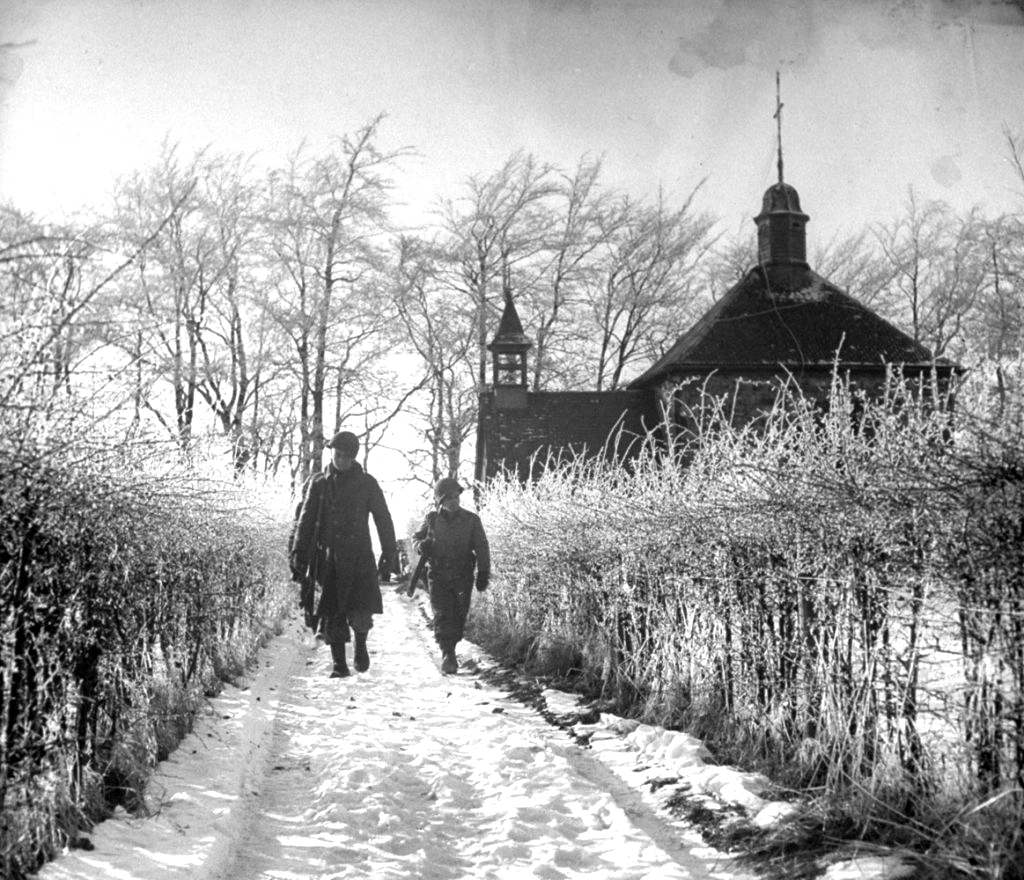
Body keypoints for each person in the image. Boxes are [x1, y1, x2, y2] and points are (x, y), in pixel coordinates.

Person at [291, 431, 398, 678]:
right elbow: (305, 520)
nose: (340, 460)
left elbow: (383, 518)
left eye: (345, 456)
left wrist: (389, 551)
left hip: (360, 556)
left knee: (361, 611)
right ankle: (339, 664)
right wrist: (299, 551)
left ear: (353, 458)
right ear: (331, 453)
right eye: (337, 454)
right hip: (329, 558)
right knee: (331, 613)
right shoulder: (319, 483)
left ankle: (360, 644)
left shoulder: (367, 483)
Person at [413, 477, 490, 674]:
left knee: (458, 614)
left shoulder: (471, 520)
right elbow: (417, 539)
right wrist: (421, 546)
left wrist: (483, 572)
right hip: (437, 574)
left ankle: (452, 647)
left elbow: (482, 547)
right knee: (442, 612)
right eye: (449, 498)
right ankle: (448, 653)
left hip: (462, 575)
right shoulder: (431, 519)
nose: (454, 501)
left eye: (456, 497)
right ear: (440, 501)